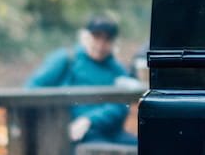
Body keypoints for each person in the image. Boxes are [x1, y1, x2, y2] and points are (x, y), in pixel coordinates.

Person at [27, 13, 139, 147]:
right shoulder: (67, 59)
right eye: (96, 37)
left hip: (109, 132)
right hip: (71, 134)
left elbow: (121, 106)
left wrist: (89, 120)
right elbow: (32, 89)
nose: (101, 44)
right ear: (85, 36)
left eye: (107, 39)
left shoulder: (117, 70)